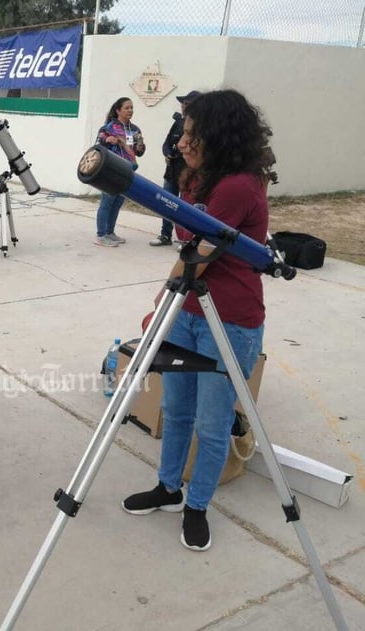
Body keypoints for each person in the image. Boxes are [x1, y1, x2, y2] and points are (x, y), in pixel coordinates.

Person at [122, 89, 276, 552]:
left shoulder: (235, 187)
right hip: (192, 310)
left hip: (227, 320)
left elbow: (199, 256)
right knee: (175, 411)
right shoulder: (200, 179)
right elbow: (189, 245)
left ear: (219, 137)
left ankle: (197, 505)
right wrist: (170, 303)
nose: (181, 141)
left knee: (211, 424)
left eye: (191, 133)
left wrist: (161, 301)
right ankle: (169, 488)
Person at [150, 90, 200, 247]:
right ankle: (165, 235)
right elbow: (166, 144)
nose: (184, 107)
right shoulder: (178, 123)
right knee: (166, 203)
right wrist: (167, 154)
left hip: (189, 174)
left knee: (186, 207)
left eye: (188, 104)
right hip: (172, 171)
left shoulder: (201, 127)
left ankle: (186, 239)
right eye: (183, 104)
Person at [94, 97, 145, 247]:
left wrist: (140, 147)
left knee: (118, 202)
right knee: (108, 201)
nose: (130, 110)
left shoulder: (135, 129)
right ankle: (101, 235)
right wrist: (107, 140)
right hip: (111, 170)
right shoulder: (108, 128)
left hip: (128, 170)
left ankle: (110, 232)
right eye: (127, 108)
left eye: (132, 108)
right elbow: (97, 146)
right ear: (118, 110)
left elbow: (139, 151)